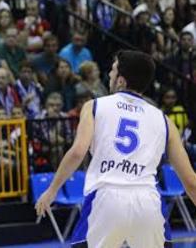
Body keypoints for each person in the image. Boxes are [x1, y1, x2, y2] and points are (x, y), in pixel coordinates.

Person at [36, 50, 196, 247]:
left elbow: (78, 151)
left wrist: (52, 190)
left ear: (121, 80)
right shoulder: (164, 120)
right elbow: (191, 182)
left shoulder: (94, 106)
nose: (109, 75)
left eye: (112, 71)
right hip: (148, 202)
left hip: (105, 198)